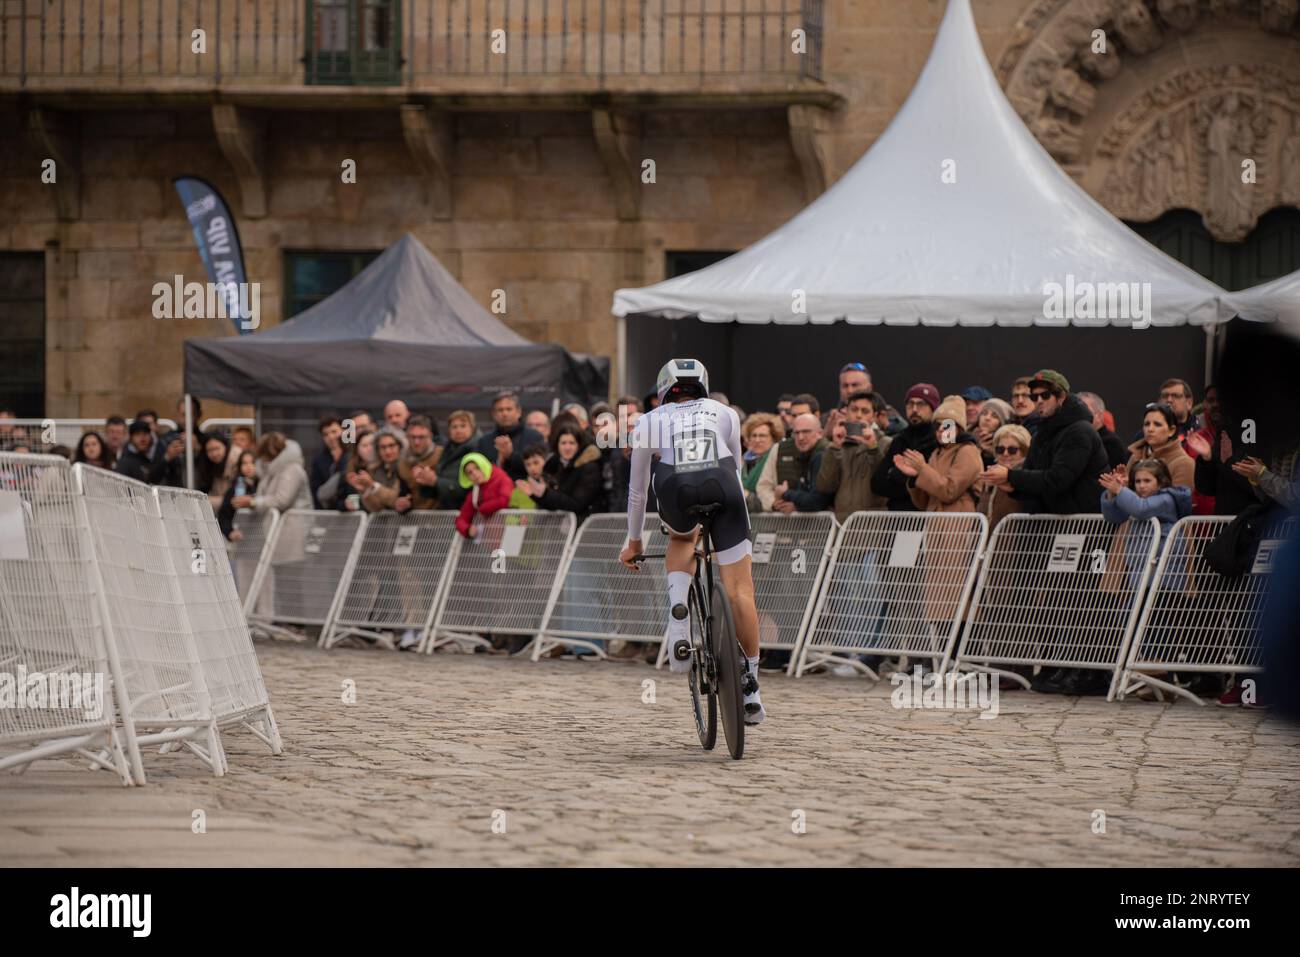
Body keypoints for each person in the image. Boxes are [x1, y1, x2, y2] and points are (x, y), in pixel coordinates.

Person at [619, 359, 766, 725]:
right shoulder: (725, 411)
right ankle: (751, 685)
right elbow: (735, 467)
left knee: (683, 537)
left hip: (675, 487)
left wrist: (634, 542)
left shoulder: (649, 421)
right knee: (740, 592)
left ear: (664, 389)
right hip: (725, 486)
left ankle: (678, 612)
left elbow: (637, 492)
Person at [985, 370, 1106, 515]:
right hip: (1054, 525)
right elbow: (1034, 479)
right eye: (1035, 397)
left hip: (1083, 525)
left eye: (1045, 395)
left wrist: (1010, 476)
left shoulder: (1080, 431)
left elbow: (1057, 480)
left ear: (1061, 397)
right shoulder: (1041, 434)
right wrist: (1013, 488)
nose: (1039, 400)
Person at [817, 391, 891, 522]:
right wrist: (834, 447)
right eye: (854, 409)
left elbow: (884, 483)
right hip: (843, 525)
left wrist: (872, 448)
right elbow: (825, 486)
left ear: (874, 417)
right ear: (846, 412)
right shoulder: (837, 445)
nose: (858, 415)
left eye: (865, 411)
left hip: (875, 527)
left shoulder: (885, 443)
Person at [871, 383, 939, 510]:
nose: (914, 409)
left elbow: (938, 486)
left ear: (933, 409)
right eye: (910, 404)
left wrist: (899, 478)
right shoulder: (899, 440)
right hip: (897, 522)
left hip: (928, 519)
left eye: (921, 404)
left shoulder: (941, 441)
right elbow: (877, 484)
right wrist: (912, 483)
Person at [755, 412, 831, 514]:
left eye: (806, 432)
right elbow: (763, 486)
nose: (801, 437)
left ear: (820, 433)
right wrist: (774, 503)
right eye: (797, 433)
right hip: (785, 523)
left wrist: (797, 506)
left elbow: (818, 500)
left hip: (822, 525)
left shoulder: (827, 454)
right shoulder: (780, 449)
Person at [524, 423, 604, 518]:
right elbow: (553, 504)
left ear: (579, 445)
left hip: (584, 524)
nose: (567, 447)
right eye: (563, 443)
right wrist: (536, 495)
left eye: (571, 443)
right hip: (562, 525)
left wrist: (545, 493)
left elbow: (577, 504)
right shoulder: (553, 466)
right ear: (557, 445)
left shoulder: (589, 468)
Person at [476, 391, 545, 482]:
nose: (504, 414)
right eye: (500, 410)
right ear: (493, 414)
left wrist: (510, 455)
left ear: (519, 412)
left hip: (526, 491)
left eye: (509, 409)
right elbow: (478, 471)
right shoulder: (484, 441)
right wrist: (498, 462)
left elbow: (538, 469)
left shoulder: (534, 437)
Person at [1125, 402, 1195, 490]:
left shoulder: (1184, 463)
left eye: (1157, 424)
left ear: (1171, 431)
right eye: (1147, 424)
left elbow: (1177, 502)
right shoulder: (1135, 457)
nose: (1150, 429)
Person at [976, 424, 1030, 529]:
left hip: (1015, 542)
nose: (1005, 454)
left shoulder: (1027, 478)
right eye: (1000, 449)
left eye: (1012, 450)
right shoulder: (989, 478)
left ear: (1024, 451)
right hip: (987, 542)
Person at [455, 452, 515, 539]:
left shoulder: (502, 478)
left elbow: (505, 500)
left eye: (477, 468)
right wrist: (468, 529)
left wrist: (483, 508)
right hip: (492, 539)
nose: (474, 474)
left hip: (513, 532)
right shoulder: (475, 493)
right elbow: (461, 519)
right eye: (470, 473)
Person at [434, 410, 482, 511]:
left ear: (472, 428)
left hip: (470, 512)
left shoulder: (479, 450)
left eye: (463, 426)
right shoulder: (446, 450)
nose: (458, 430)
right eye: (454, 427)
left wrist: (436, 482)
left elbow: (469, 487)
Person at [740, 412, 784, 512]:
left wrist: (746, 494)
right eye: (754, 436)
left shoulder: (777, 457)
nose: (757, 440)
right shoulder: (746, 462)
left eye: (762, 436)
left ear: (774, 438)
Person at [1078, 391, 1128, 470]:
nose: (1078, 415)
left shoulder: (1111, 443)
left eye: (1083, 410)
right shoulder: (1071, 437)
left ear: (1099, 415)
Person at [309, 416, 348, 509]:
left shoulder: (353, 454)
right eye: (325, 434)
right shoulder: (319, 460)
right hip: (327, 511)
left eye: (334, 432)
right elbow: (315, 490)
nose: (330, 437)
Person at [972, 398, 1014, 465]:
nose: (987, 418)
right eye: (984, 413)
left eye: (995, 416)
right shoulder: (967, 437)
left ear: (1001, 423)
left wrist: (992, 453)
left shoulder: (1007, 446)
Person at [200, 433, 233, 509]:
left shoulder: (235, 461)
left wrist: (206, 501)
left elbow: (233, 499)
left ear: (226, 446)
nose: (214, 454)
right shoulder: (212, 465)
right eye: (209, 450)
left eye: (217, 448)